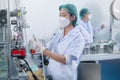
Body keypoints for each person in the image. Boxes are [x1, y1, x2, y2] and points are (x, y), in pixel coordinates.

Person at [38, 4, 85, 80]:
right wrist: (38, 46)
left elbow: (66, 60)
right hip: (52, 75)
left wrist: (44, 51)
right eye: (60, 15)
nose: (61, 18)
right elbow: (48, 48)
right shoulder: (58, 33)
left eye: (64, 15)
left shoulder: (78, 38)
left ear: (72, 17)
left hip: (65, 77)